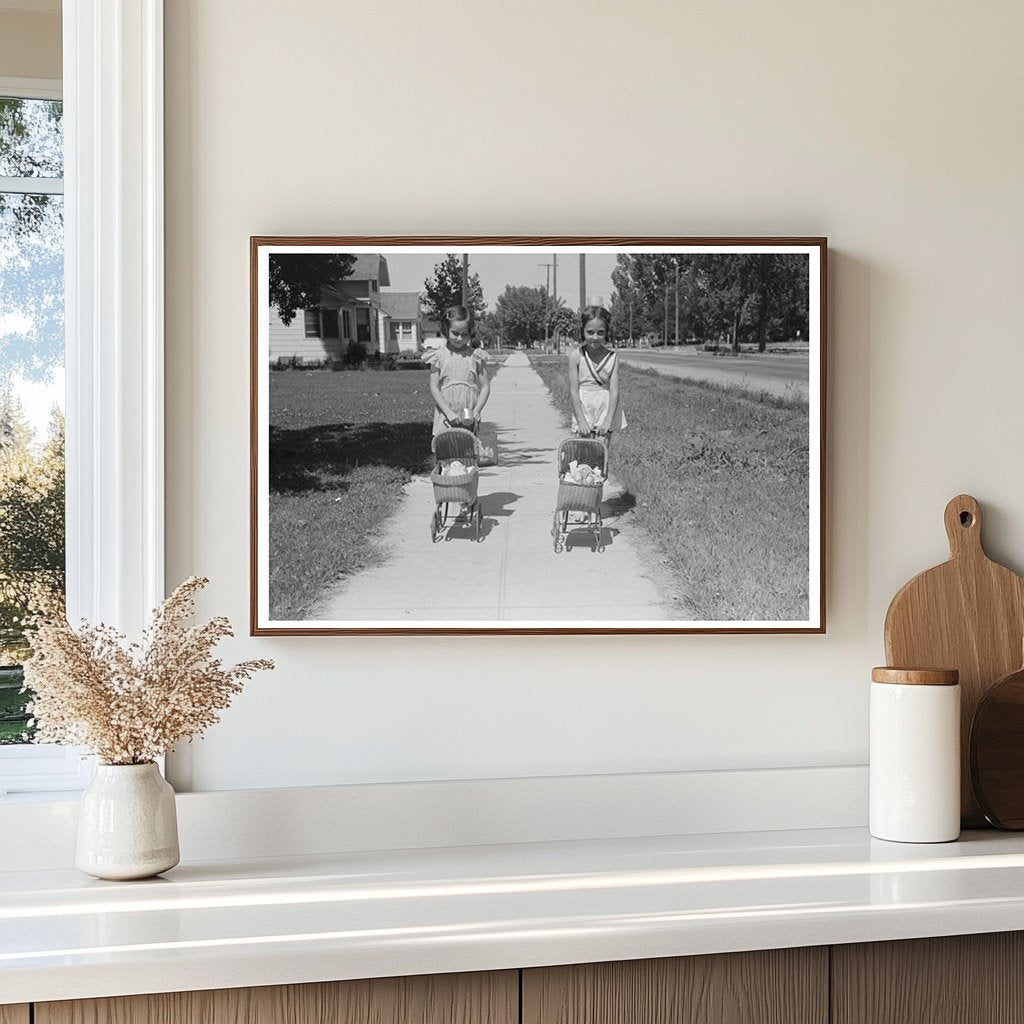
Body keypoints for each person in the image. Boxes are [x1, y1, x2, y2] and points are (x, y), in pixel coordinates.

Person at [426, 305, 491, 444]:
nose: (460, 338)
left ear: (470, 332)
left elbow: (485, 386)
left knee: (468, 454)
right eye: (455, 333)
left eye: (465, 334)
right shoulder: (438, 356)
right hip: (445, 416)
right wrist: (448, 412)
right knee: (447, 452)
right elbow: (434, 387)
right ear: (446, 330)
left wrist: (478, 410)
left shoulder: (476, 356)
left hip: (469, 417)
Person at [568, 305, 627, 441]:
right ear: (582, 331)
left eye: (600, 332)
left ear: (607, 332)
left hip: (604, 408)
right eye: (590, 332)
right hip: (583, 407)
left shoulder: (612, 357)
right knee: (583, 452)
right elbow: (574, 391)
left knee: (601, 452)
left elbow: (614, 392)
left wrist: (608, 420)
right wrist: (581, 420)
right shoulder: (576, 356)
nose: (595, 337)